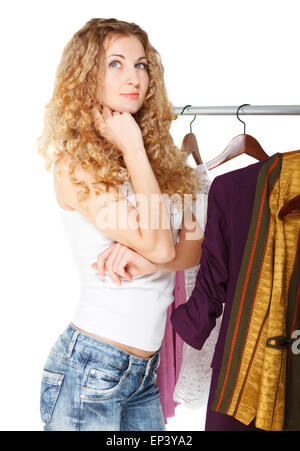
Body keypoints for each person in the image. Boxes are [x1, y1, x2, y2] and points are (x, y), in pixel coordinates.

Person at [37, 17, 203, 431]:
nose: (134, 77)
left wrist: (150, 262)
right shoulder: (77, 165)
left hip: (144, 372)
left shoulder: (161, 160)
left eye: (141, 65)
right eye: (116, 64)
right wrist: (130, 146)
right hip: (91, 367)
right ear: (87, 75)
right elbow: (166, 246)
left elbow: (196, 245)